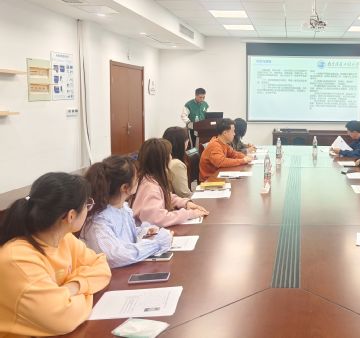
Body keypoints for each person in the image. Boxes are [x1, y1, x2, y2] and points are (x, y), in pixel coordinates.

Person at [0, 173, 111, 337]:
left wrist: (74, 286)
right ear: (71, 216)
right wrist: (88, 291)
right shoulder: (17, 259)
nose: (88, 210)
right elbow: (64, 319)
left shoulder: (64, 239)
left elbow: (101, 266)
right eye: (87, 205)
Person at [81, 155, 173, 268]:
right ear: (125, 188)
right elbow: (116, 256)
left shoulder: (122, 208)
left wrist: (143, 232)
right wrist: (156, 244)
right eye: (136, 179)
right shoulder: (99, 221)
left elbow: (125, 236)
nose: (139, 181)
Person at [132, 138, 209, 227]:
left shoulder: (149, 178)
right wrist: (188, 214)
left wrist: (185, 203)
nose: (171, 157)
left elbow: (165, 196)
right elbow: (157, 219)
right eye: (169, 154)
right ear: (161, 161)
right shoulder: (150, 187)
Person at [163, 126, 193, 198]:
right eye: (186, 140)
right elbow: (184, 194)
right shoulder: (176, 164)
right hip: (175, 203)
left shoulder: (164, 160)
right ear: (180, 143)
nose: (188, 142)